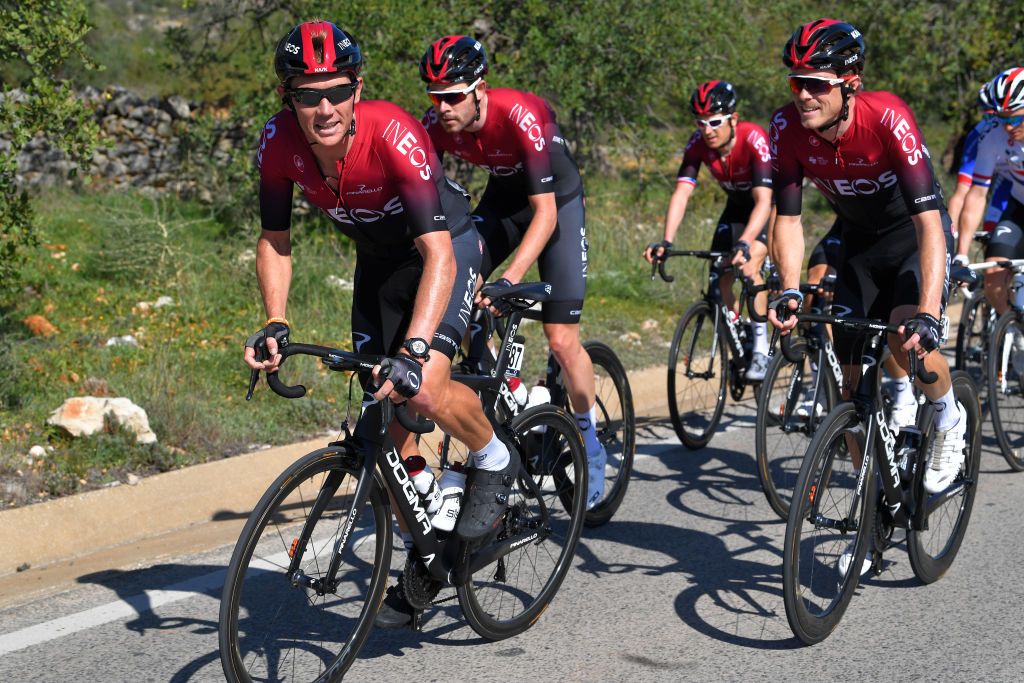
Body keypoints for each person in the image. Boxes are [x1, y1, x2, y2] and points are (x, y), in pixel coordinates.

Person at [242, 21, 519, 629]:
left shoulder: (393, 132)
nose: (324, 108)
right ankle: (429, 548)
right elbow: (275, 240)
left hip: (442, 249)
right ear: (287, 98)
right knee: (381, 420)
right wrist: (275, 319)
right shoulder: (277, 143)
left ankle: (494, 458)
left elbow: (440, 256)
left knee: (420, 382)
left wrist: (416, 347)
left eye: (336, 91)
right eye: (306, 94)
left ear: (357, 88)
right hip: (377, 266)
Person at [768, 19, 966, 577]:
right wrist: (787, 287)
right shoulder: (786, 128)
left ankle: (949, 420)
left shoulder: (887, 118)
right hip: (857, 243)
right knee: (852, 390)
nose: (803, 94)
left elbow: (931, 224)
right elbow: (788, 219)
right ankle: (871, 509)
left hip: (913, 236)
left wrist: (930, 311)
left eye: (817, 84)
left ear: (849, 82)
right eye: (796, 83)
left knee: (908, 335)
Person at [417, 36, 607, 507]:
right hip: (502, 201)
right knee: (453, 285)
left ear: (480, 89)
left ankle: (589, 438)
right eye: (434, 96)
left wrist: (509, 277)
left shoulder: (518, 114)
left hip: (555, 204)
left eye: (454, 96)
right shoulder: (434, 126)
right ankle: (513, 388)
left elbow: (543, 214)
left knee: (562, 339)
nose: (443, 107)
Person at [644, 80, 773, 380]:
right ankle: (737, 328)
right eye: (701, 123)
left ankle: (761, 350)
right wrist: (667, 240)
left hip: (768, 207)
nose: (707, 129)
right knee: (719, 274)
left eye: (715, 122)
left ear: (734, 119)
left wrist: (744, 243)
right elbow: (681, 193)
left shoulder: (754, 139)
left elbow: (764, 201)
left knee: (750, 263)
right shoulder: (697, 144)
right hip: (735, 208)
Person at [952, 67, 1024, 316]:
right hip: (1018, 207)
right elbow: (976, 193)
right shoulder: (992, 134)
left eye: (1014, 118)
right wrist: (961, 253)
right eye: (1002, 118)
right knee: (993, 279)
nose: (1007, 127)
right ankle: (1014, 338)